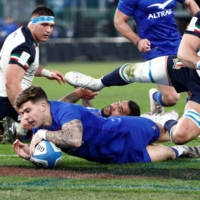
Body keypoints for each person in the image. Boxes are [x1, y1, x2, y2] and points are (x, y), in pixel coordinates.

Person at [65, 10, 200, 145]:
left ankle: (165, 121)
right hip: (188, 68)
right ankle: (97, 83)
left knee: (180, 136)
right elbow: (184, 51)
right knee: (134, 72)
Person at [12, 86, 200, 165]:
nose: (25, 118)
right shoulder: (40, 122)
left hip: (126, 129)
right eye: (21, 113)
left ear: (43, 106)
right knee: (169, 153)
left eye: (27, 111)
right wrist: (30, 155)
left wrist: (43, 134)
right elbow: (48, 147)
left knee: (169, 134)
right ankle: (185, 150)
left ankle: (168, 118)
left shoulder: (60, 116)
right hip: (115, 156)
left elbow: (74, 139)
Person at [113, 0, 199, 113]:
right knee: (172, 98)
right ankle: (155, 97)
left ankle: (188, 124)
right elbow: (119, 21)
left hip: (178, 46)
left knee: (192, 88)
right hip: (155, 50)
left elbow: (189, 2)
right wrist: (138, 41)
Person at [0, 6, 65, 139]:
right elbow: (11, 83)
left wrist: (47, 73)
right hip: (9, 100)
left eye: (51, 26)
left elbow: (25, 66)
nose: (48, 30)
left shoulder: (22, 33)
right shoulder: (25, 47)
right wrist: (24, 114)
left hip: (7, 98)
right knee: (50, 127)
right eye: (44, 25)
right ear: (33, 23)